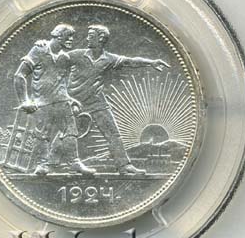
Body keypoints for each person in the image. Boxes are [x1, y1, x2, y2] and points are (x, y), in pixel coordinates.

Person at [66, 25, 170, 175]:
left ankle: (124, 166)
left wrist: (151, 62)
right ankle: (49, 164)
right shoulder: (76, 55)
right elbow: (55, 61)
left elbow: (130, 61)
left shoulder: (108, 59)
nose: (87, 38)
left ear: (101, 39)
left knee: (113, 133)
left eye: (91, 36)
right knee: (63, 134)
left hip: (96, 101)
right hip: (72, 101)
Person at [14, 24, 94, 176]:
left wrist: (69, 98)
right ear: (58, 36)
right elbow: (20, 75)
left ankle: (75, 163)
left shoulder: (65, 57)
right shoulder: (39, 50)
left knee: (71, 131)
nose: (71, 40)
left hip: (62, 101)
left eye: (72, 37)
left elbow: (60, 83)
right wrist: (24, 100)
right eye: (68, 37)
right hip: (42, 103)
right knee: (42, 134)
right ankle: (42, 165)